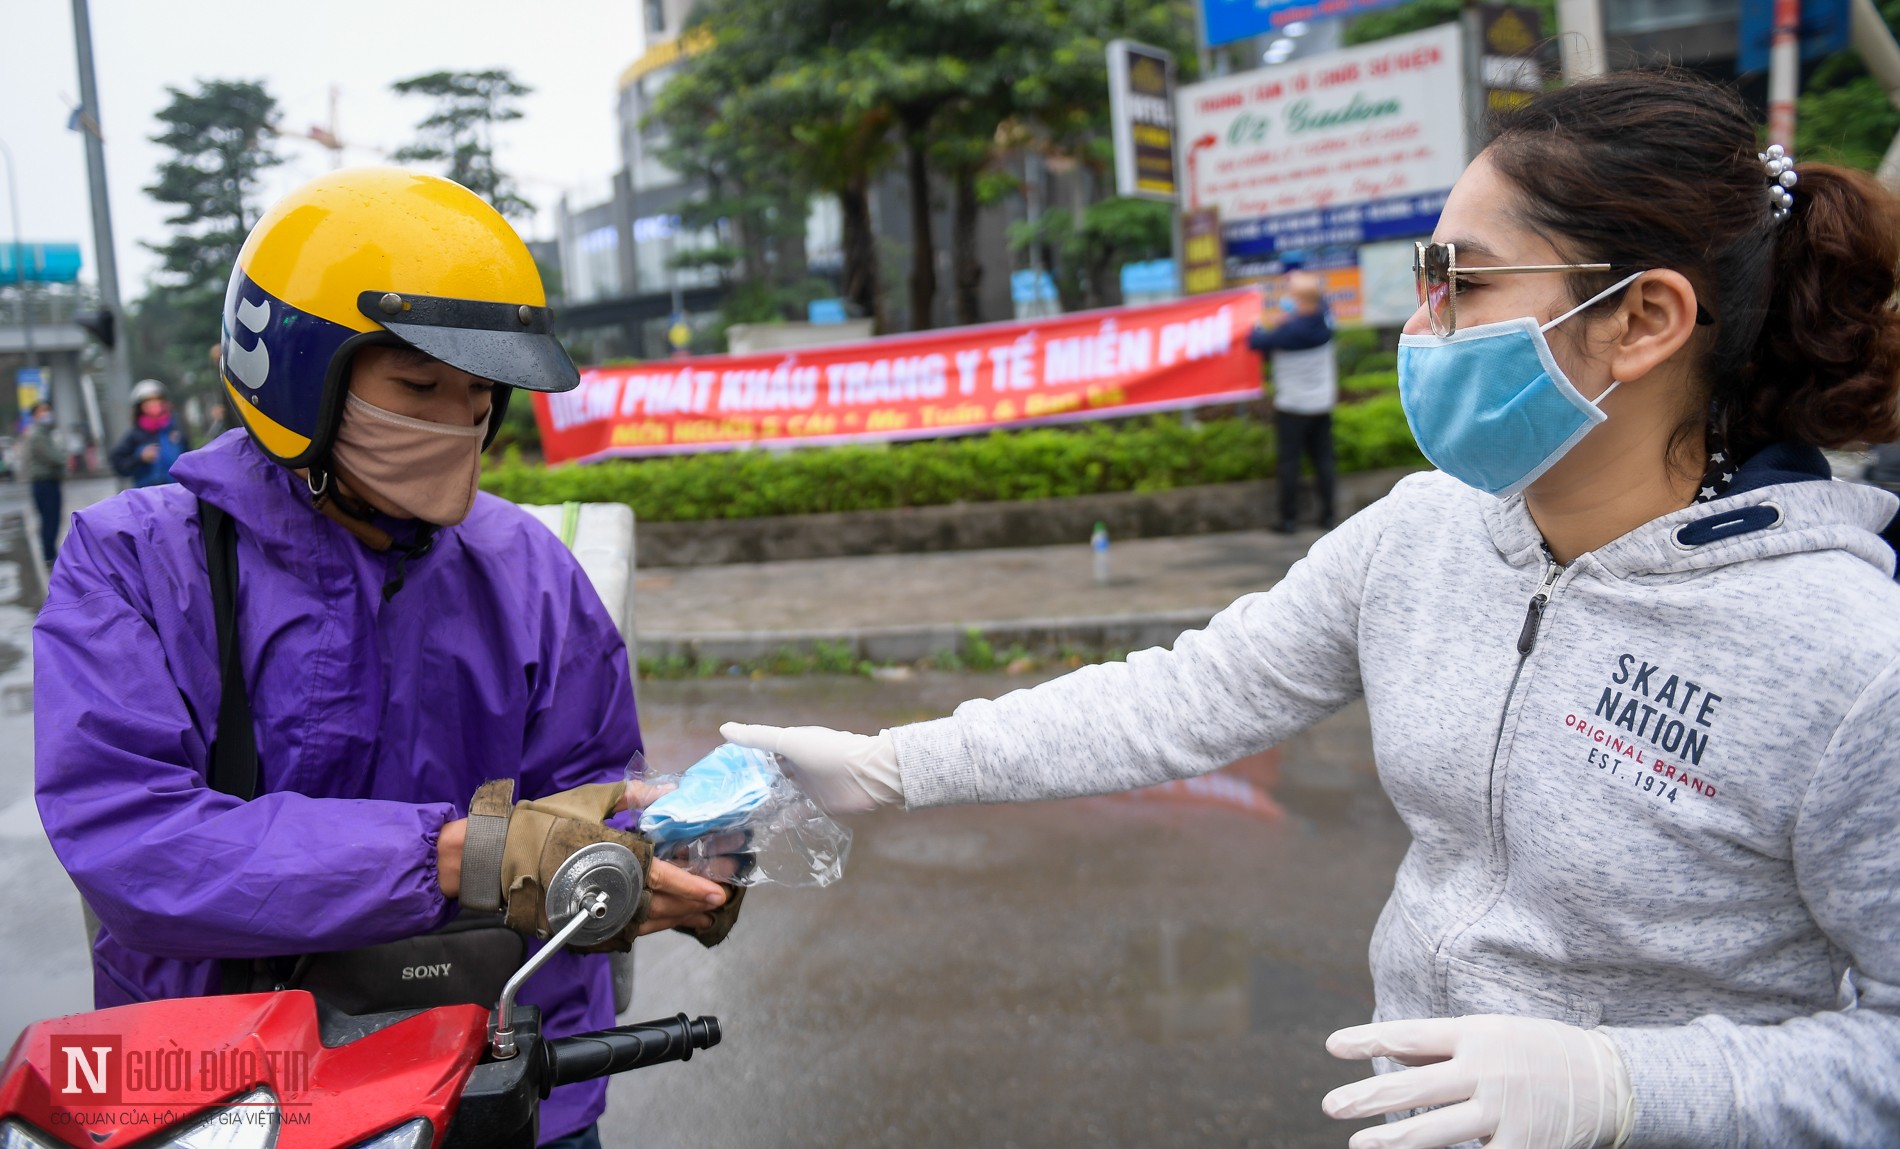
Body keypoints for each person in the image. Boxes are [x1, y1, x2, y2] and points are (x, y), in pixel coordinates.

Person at [721, 70, 1900, 1148]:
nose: (1421, 324)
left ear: (1641, 321)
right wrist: (893, 764)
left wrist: (1624, 1088)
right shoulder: (1424, 531)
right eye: (1425, 278)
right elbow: (1190, 694)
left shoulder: (1845, 660)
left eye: (1464, 281)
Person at [35, 168, 739, 1148]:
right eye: (418, 386)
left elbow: (590, 802)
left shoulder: (528, 569)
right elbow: (131, 840)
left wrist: (670, 865)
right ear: (297, 372)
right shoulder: (138, 562)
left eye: (479, 393)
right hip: (230, 1096)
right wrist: (461, 855)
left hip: (505, 1086)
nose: (457, 422)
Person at [1249, 270, 1338, 533]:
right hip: (1322, 404)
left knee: (1290, 464)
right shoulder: (1324, 323)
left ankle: (1288, 520)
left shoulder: (1288, 332)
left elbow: (1255, 341)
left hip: (1292, 407)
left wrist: (1262, 323)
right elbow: (1320, 303)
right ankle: (1328, 517)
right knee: (1324, 461)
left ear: (1299, 301)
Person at [108, 378, 190, 487]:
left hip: (178, 491)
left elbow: (190, 459)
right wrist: (139, 458)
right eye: (148, 402)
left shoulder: (176, 430)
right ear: (140, 407)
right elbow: (119, 465)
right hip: (148, 496)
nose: (154, 405)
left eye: (157, 400)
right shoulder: (134, 435)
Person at [22, 400, 66, 563]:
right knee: (49, 519)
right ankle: (49, 555)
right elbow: (54, 457)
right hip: (44, 483)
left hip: (49, 481)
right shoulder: (37, 435)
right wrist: (63, 457)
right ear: (34, 415)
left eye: (47, 410)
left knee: (52, 519)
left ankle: (50, 553)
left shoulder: (46, 433)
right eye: (42, 411)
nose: (46, 414)